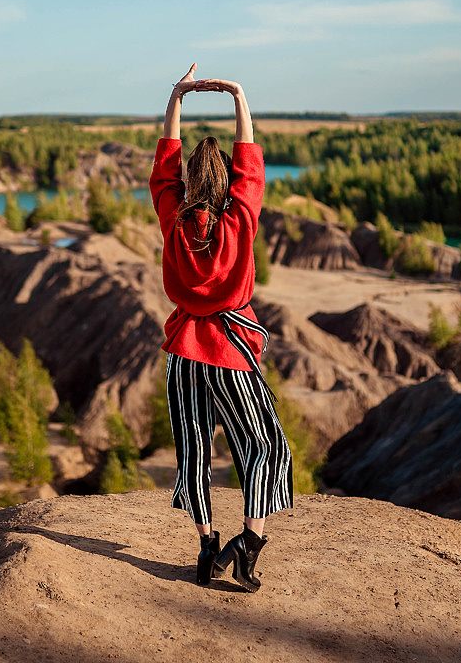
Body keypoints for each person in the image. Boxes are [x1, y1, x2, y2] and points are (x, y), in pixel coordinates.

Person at [148, 63, 293, 592]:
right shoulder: (241, 218)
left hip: (183, 350)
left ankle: (208, 545)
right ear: (229, 181)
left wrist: (178, 96)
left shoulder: (173, 216)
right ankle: (246, 544)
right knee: (267, 447)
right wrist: (237, 93)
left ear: (188, 179)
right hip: (229, 349)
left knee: (193, 450)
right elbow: (250, 161)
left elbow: (164, 161)